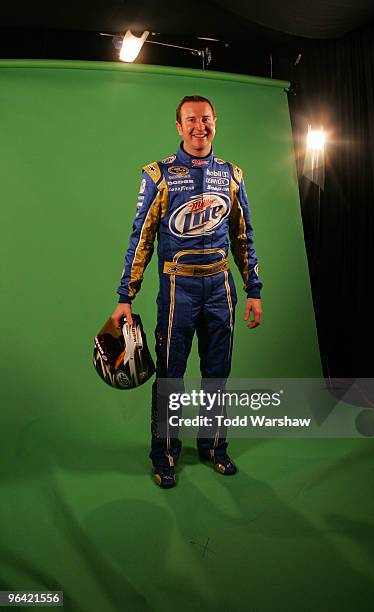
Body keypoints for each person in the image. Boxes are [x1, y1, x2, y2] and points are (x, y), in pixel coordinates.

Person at [111, 95, 262, 488]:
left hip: (221, 286)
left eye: (206, 119)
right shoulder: (158, 174)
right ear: (179, 126)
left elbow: (243, 235)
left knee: (218, 373)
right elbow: (140, 238)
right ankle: (164, 454)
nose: (200, 126)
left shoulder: (232, 175)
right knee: (171, 376)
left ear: (216, 122)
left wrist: (254, 290)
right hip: (177, 286)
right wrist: (125, 296)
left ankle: (214, 446)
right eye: (191, 120)